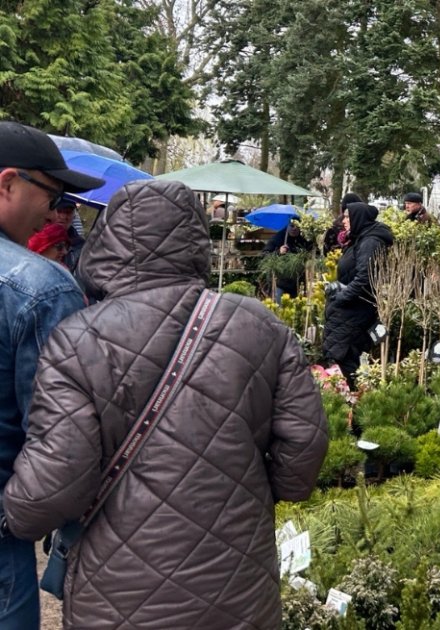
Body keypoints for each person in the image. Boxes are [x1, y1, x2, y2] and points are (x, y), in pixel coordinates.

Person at [3, 179, 329, 628]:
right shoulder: (260, 326)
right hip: (239, 585)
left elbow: (57, 480)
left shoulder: (77, 341)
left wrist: (12, 514)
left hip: (120, 591)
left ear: (109, 241)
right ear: (195, 240)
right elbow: (302, 459)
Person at [0, 120, 103, 626]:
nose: (60, 211)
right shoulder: (40, 288)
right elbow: (61, 438)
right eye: (55, 194)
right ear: (7, 183)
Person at [322, 202, 393, 389]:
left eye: (347, 217)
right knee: (343, 357)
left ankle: (354, 401)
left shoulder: (370, 241)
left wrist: (341, 297)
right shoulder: (359, 239)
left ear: (358, 218)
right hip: (349, 309)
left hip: (354, 311)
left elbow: (365, 278)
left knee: (345, 359)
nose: (344, 221)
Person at [262, 221, 314, 301]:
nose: (294, 228)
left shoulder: (303, 240)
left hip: (298, 282)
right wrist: (278, 252)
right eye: (292, 226)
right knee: (279, 306)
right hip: (280, 281)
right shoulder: (278, 238)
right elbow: (265, 254)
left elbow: (310, 254)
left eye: (297, 226)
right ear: (287, 226)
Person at [50, 198, 86, 270]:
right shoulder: (32, 235)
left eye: (68, 212)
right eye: (59, 211)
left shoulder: (80, 245)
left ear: (74, 215)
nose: (63, 217)